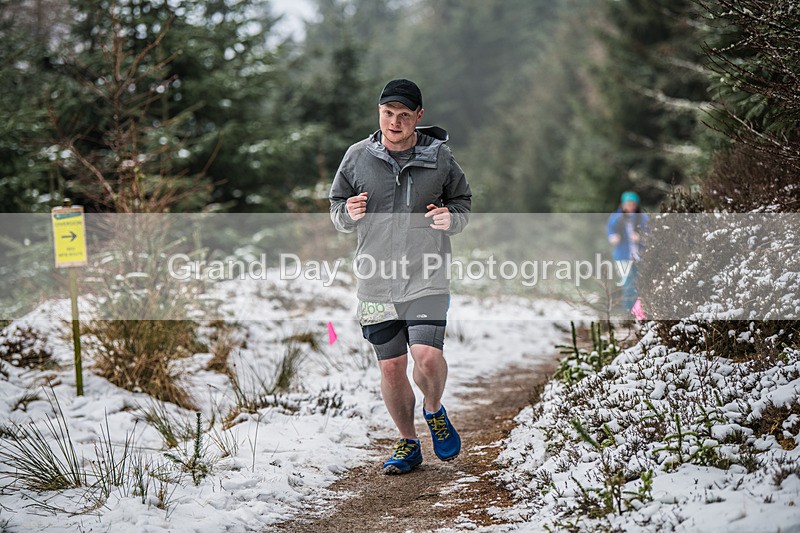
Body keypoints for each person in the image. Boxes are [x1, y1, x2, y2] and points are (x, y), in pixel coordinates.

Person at [329, 79, 472, 475]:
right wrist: (347, 214)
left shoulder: (439, 157)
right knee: (391, 367)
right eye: (388, 113)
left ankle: (434, 409)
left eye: (404, 115)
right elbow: (336, 204)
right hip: (375, 280)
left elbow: (462, 201)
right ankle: (408, 443)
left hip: (426, 275)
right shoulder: (357, 157)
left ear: (418, 117)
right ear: (379, 113)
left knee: (426, 355)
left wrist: (451, 218)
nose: (395, 122)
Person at [607, 191, 648, 313]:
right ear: (623, 204)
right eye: (628, 204)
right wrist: (614, 238)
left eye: (632, 204)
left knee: (640, 285)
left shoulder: (642, 217)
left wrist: (640, 237)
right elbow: (611, 232)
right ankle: (628, 311)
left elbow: (650, 233)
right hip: (622, 256)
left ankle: (639, 312)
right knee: (627, 284)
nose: (630, 206)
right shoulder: (616, 217)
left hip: (640, 256)